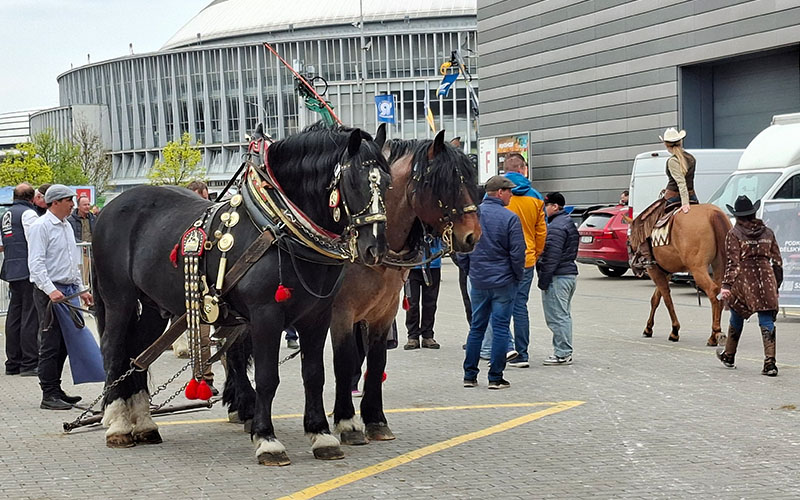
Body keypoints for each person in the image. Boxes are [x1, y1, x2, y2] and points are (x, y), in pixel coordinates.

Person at [28, 185, 104, 410]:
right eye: (68, 200)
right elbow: (36, 263)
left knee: (63, 343)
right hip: (50, 293)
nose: (72, 204)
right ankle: (48, 393)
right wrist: (50, 289)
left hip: (67, 291)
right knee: (51, 343)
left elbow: (72, 263)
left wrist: (82, 289)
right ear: (55, 203)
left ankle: (56, 388)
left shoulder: (65, 226)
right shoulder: (41, 227)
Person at [462, 176, 525, 390]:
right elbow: (518, 253)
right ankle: (495, 377)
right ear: (500, 193)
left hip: (479, 280)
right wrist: (518, 276)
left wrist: (470, 269)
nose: (511, 195)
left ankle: (469, 375)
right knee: (500, 328)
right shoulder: (509, 218)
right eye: (509, 191)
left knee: (477, 327)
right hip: (504, 281)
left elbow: (462, 249)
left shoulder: (472, 215)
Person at [716, 195, 783, 376]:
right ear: (753, 213)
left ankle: (729, 355)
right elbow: (777, 261)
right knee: (766, 317)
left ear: (737, 216)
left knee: (737, 312)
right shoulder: (768, 232)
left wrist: (726, 286)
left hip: (744, 280)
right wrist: (776, 284)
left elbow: (733, 263)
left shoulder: (734, 234)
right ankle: (770, 363)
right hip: (766, 277)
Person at [629, 128, 698, 275]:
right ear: (680, 141)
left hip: (673, 198)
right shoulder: (691, 158)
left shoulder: (672, 161)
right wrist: (689, 201)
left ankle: (647, 259)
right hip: (693, 197)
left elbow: (681, 184)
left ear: (666, 144)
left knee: (641, 222)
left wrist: (684, 203)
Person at [501, 153, 547, 368]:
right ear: (523, 170)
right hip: (526, 259)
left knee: (498, 304)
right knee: (520, 306)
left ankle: (505, 347)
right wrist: (535, 253)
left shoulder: (498, 194)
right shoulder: (536, 196)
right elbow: (541, 232)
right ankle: (522, 353)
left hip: (502, 259)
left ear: (506, 170)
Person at [1, 184, 40, 376]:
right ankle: (29, 362)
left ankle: (13, 362)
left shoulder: (6, 214)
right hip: (27, 269)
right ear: (32, 198)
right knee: (30, 316)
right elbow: (35, 240)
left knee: (14, 317)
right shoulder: (28, 214)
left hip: (11, 267)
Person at [537, 192, 579, 366]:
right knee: (564, 314)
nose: (544, 210)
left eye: (546, 206)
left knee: (557, 316)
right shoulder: (567, 222)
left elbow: (551, 257)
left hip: (558, 276)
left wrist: (543, 280)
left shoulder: (555, 227)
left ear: (555, 206)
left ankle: (562, 353)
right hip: (569, 274)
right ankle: (564, 351)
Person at [184, 181, 218, 395]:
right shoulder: (188, 223)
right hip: (198, 290)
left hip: (222, 289)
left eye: (204, 198)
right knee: (201, 337)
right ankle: (204, 377)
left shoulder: (218, 221)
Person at [404, 238, 443, 349]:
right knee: (411, 302)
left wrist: (443, 249)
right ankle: (412, 336)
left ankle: (427, 335)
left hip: (432, 264)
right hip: (411, 266)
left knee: (430, 302)